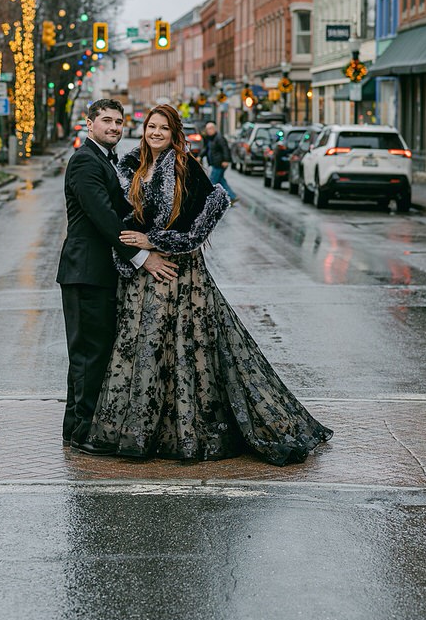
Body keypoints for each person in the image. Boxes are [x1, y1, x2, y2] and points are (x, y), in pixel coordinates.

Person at [86, 104, 333, 465]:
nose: (156, 133)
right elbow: (122, 218)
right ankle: (142, 431)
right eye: (151, 126)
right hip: (143, 276)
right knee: (146, 348)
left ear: (174, 134)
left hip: (182, 274)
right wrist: (135, 249)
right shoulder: (129, 166)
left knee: (187, 350)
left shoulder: (186, 167)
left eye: (164, 129)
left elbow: (201, 225)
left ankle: (189, 432)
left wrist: (155, 241)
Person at [56, 98, 178, 453]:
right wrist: (144, 257)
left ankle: (74, 428)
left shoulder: (105, 161)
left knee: (89, 353)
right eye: (106, 120)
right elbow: (105, 219)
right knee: (89, 355)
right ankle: (83, 434)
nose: (113, 127)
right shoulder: (84, 162)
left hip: (97, 273)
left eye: (119, 122)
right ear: (89, 123)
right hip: (85, 272)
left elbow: (127, 212)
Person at [203, 120, 237, 203]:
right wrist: (200, 156)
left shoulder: (219, 138)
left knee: (213, 182)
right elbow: (206, 149)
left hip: (219, 163)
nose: (208, 131)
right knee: (221, 181)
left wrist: (225, 160)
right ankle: (232, 196)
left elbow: (225, 149)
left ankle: (210, 200)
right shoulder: (211, 139)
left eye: (210, 129)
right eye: (207, 129)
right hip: (215, 163)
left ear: (214, 129)